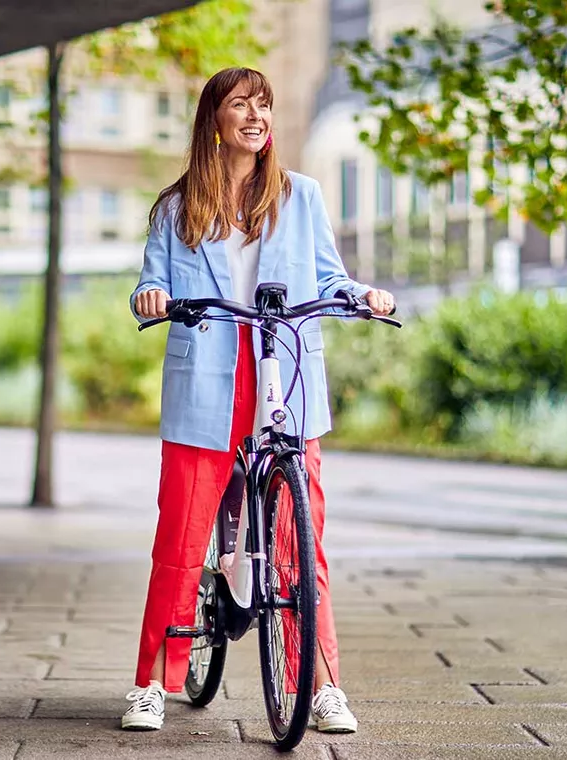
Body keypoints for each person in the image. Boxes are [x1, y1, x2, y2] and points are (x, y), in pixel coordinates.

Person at [121, 67, 395, 734]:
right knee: (181, 539)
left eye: (264, 104)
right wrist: (151, 298)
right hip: (207, 374)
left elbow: (329, 276)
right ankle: (154, 681)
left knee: (302, 544)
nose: (255, 114)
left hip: (286, 373)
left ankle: (322, 683)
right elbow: (148, 285)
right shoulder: (176, 207)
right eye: (241, 103)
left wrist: (363, 296)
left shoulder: (301, 196)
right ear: (214, 119)